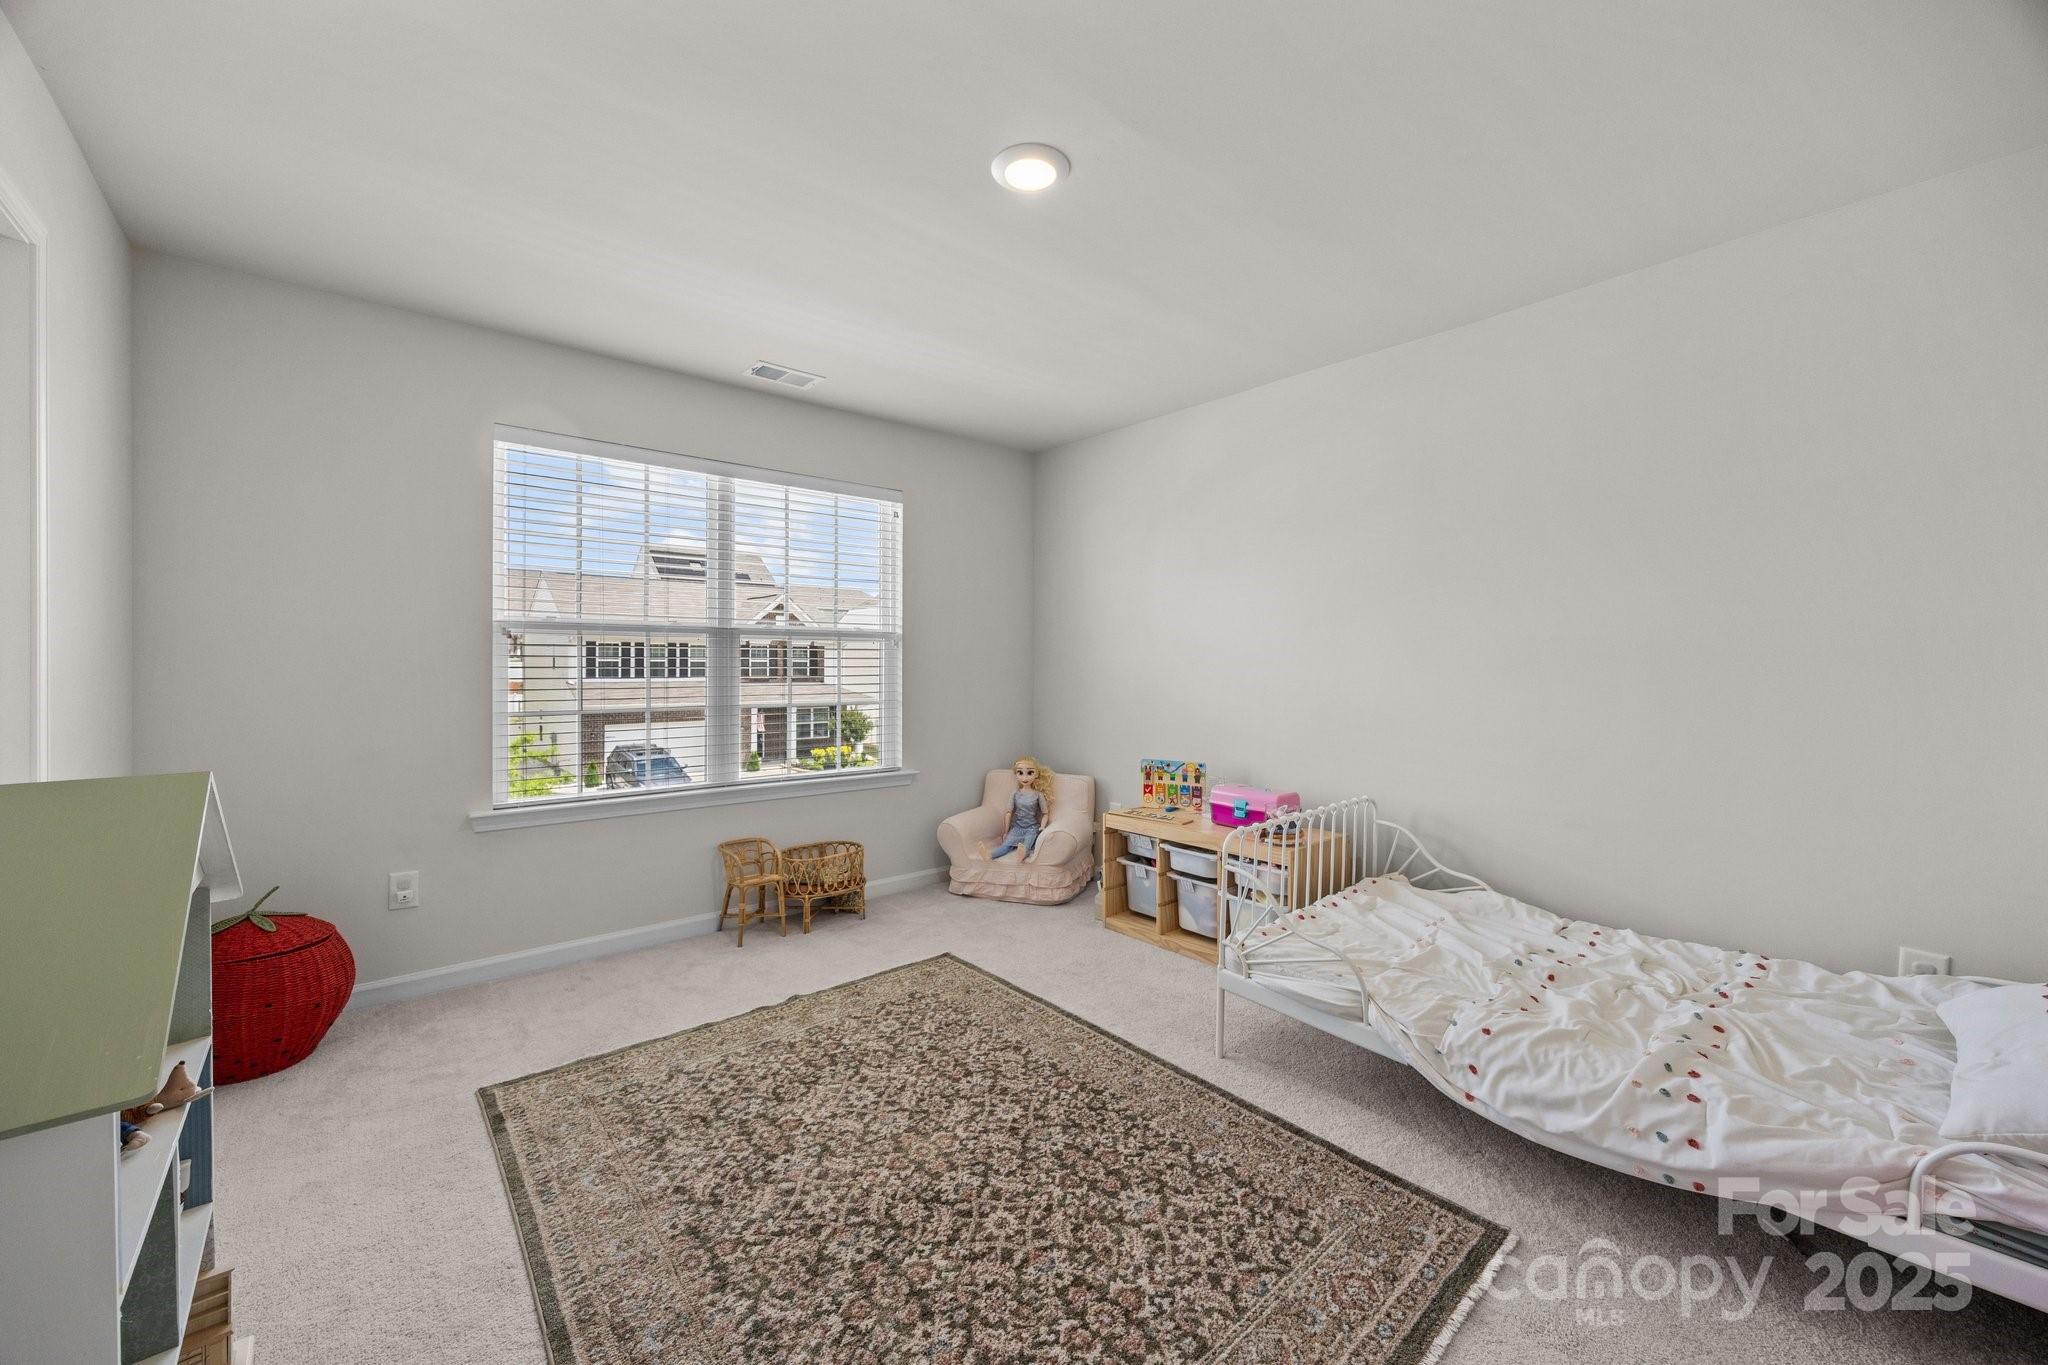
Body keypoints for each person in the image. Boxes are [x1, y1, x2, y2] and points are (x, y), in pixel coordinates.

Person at [987, 756, 1054, 860]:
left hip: (1031, 828)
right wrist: (1006, 831)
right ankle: (989, 855)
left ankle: (1022, 855)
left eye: (1030, 773)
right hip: (1017, 827)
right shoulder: (1015, 794)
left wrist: (1042, 826)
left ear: (1036, 774)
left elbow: (1045, 813)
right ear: (1016, 774)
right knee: (1006, 846)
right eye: (1020, 773)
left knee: (1026, 847)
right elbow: (1008, 812)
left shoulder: (1038, 794)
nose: (1025, 777)